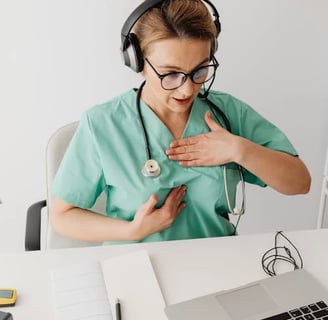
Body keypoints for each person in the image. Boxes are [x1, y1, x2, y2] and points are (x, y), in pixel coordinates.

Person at [51, 0, 311, 245]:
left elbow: (300, 183)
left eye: (200, 70)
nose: (187, 90)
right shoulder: (103, 124)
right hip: (136, 264)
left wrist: (239, 150)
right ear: (137, 62)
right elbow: (62, 216)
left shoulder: (227, 112)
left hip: (217, 263)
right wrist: (132, 230)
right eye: (170, 74)